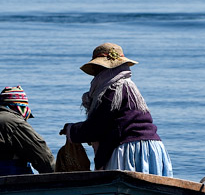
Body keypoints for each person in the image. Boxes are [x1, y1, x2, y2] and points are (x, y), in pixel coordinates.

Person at [61, 42, 173, 176]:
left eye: (98, 69)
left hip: (129, 150)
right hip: (152, 147)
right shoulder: (129, 87)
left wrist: (71, 130)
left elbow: (97, 128)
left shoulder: (112, 90)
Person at [0, 85, 55, 178]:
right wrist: (56, 178)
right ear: (21, 107)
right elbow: (42, 155)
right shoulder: (13, 122)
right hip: (11, 179)